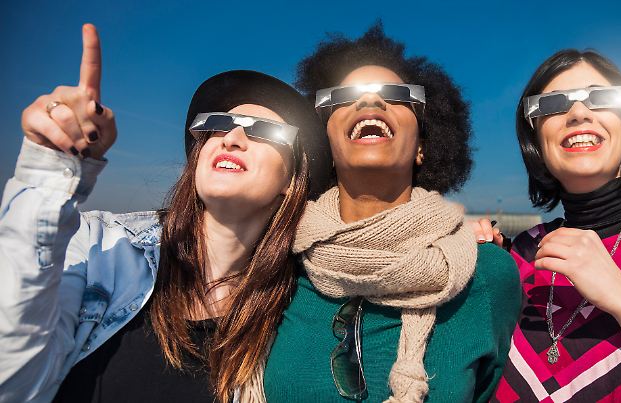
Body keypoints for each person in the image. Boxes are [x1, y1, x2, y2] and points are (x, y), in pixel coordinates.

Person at [0, 24, 331, 403]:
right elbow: (11, 379)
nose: (232, 138)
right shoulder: (100, 249)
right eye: (220, 124)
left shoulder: (297, 313)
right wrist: (47, 175)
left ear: (292, 180)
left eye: (264, 131)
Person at [261, 23, 521, 402]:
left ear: (421, 147)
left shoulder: (488, 275)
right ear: (327, 147)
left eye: (397, 95)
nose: (370, 102)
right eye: (346, 96)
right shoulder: (277, 259)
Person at [472, 49, 621, 402]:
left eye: (601, 98)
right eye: (553, 104)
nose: (578, 113)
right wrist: (482, 274)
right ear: (536, 141)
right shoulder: (521, 254)